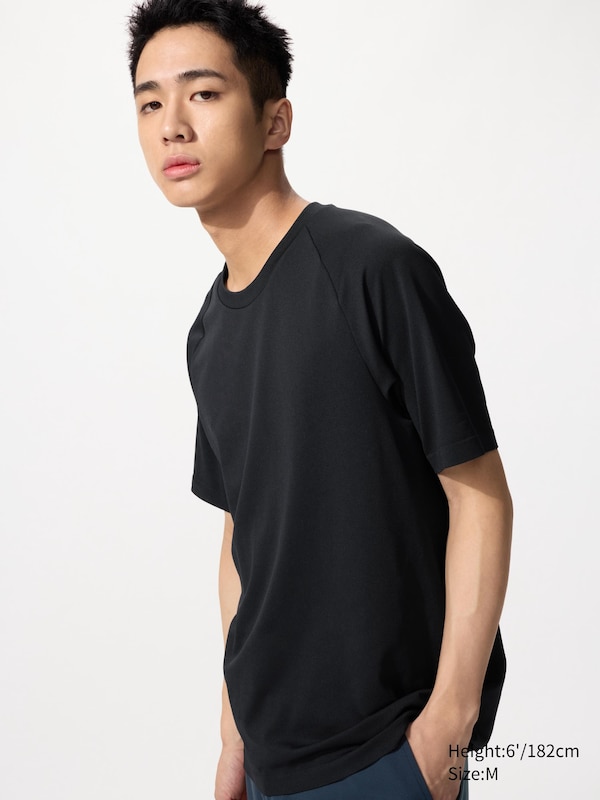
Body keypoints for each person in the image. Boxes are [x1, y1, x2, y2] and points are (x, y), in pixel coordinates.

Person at [127, 1, 513, 798]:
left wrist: (447, 728)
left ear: (276, 121)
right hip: (269, 760)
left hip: (387, 749)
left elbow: (479, 493)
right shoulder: (209, 333)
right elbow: (243, 532)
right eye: (150, 102)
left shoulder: (371, 267)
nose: (172, 126)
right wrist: (234, 732)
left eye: (203, 94)